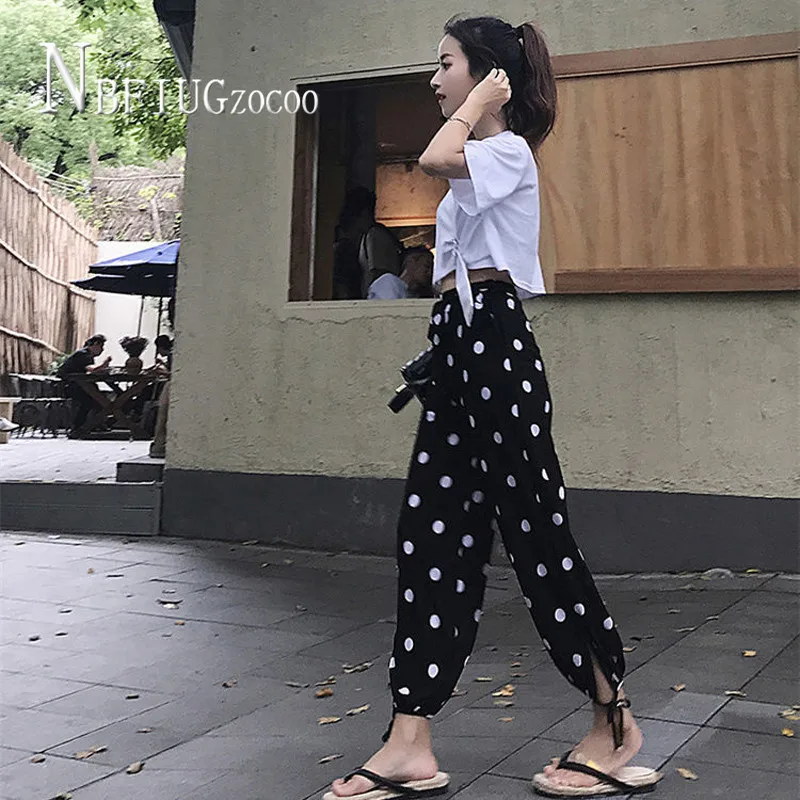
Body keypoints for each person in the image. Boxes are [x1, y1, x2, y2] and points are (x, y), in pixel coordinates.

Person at [327, 15, 662, 800]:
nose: (433, 78)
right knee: (432, 532)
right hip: (457, 345)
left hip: (497, 347)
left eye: (445, 64)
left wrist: (479, 103)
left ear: (486, 77)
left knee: (537, 532)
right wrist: (474, 99)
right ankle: (409, 740)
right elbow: (447, 177)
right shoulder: (479, 163)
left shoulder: (505, 153)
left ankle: (613, 723)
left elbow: (437, 156)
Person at [56, 334, 111, 437]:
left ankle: (95, 423)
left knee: (98, 396)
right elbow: (92, 369)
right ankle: (79, 427)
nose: (102, 350)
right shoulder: (83, 354)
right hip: (69, 386)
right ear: (95, 344)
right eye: (101, 346)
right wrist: (104, 364)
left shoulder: (86, 354)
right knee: (91, 399)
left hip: (76, 385)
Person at [367, 246, 435, 300]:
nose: (430, 273)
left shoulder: (417, 295)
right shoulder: (389, 282)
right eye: (427, 266)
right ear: (411, 261)